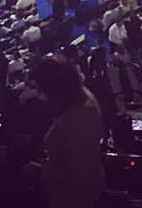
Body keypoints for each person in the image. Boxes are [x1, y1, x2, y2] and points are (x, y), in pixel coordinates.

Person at [30, 55, 106, 208]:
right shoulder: (83, 97)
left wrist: (42, 174)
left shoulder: (71, 123)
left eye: (42, 90)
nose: (41, 96)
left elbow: (79, 177)